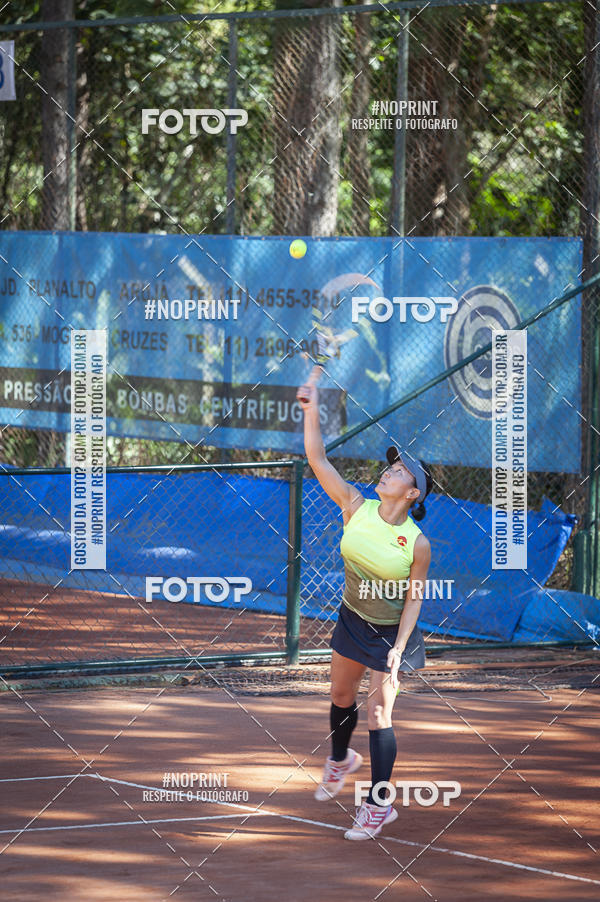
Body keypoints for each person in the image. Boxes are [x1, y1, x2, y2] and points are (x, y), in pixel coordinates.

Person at [297, 379, 432, 841]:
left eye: (400, 472)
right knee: (339, 697)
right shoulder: (356, 505)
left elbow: (414, 597)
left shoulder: (417, 543)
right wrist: (311, 409)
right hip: (353, 617)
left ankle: (378, 805)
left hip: (394, 630)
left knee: (379, 713)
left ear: (413, 494)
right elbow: (318, 459)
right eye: (391, 466)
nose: (389, 472)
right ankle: (340, 759)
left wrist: (398, 650)